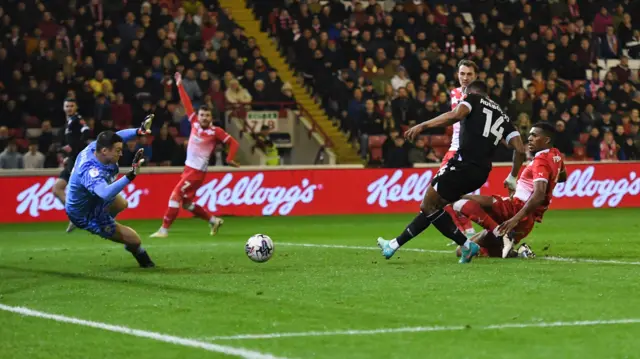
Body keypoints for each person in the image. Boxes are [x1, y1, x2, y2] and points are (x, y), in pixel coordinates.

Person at [377, 80, 526, 264]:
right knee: (433, 207)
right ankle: (394, 244)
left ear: (470, 92)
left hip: (461, 166)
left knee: (428, 206)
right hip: (481, 173)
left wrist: (423, 125)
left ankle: (467, 245)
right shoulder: (502, 115)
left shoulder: (472, 99)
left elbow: (455, 115)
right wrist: (513, 176)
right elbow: (519, 149)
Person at [452, 122, 567, 258]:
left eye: (534, 135)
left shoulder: (541, 161)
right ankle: (518, 251)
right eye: (530, 134)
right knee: (463, 251)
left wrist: (514, 219)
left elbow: (539, 195)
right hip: (526, 221)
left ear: (546, 140)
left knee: (458, 202)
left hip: (514, 210)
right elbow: (562, 177)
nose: (529, 138)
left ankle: (500, 234)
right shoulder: (556, 155)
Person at [150, 72, 240, 238]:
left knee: (175, 195)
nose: (204, 118)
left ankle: (164, 229)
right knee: (187, 204)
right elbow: (186, 102)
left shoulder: (216, 131)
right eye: (202, 115)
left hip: (197, 172)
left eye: (207, 115)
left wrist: (229, 159)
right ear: (198, 116)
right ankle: (213, 220)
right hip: (189, 169)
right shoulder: (194, 123)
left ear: (211, 118)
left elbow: (234, 143)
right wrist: (179, 85)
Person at [65, 116, 155, 268]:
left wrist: (138, 131)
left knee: (121, 203)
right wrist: (131, 175)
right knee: (135, 240)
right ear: (105, 151)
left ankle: (106, 222)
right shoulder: (90, 171)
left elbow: (119, 136)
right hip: (85, 213)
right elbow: (105, 193)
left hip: (92, 199)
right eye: (118, 151)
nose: (121, 154)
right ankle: (138, 253)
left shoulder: (96, 147)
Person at [52, 98, 91, 233]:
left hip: (78, 160)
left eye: (72, 106)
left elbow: (86, 131)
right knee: (57, 189)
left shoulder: (78, 120)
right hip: (71, 159)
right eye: (67, 106)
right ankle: (75, 216)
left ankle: (79, 215)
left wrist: (73, 148)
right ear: (64, 108)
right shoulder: (67, 124)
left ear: (76, 107)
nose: (69, 108)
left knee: (80, 190)